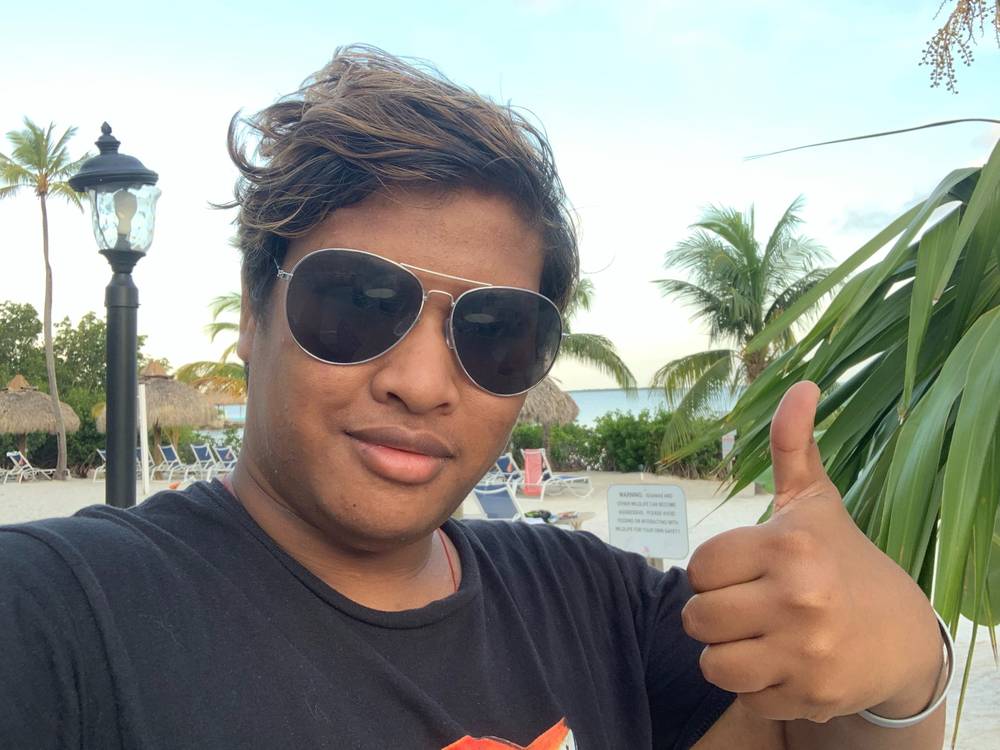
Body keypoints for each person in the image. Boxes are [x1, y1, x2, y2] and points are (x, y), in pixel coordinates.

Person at [0, 46, 949, 750]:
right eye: (356, 302)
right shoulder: (61, 617)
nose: (419, 383)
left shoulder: (598, 606)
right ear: (253, 314)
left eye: (493, 332)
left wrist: (905, 666)